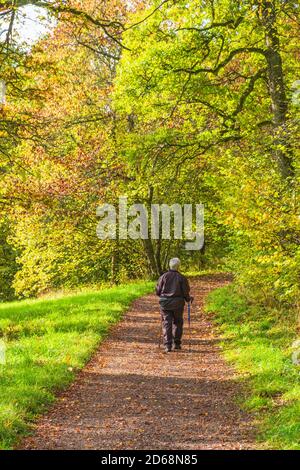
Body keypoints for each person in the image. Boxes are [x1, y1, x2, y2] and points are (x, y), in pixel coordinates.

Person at [156, 258, 193, 353]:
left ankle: (167, 345)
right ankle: (177, 343)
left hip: (165, 303)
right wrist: (189, 299)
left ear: (169, 265)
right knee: (178, 322)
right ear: (178, 266)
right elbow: (185, 292)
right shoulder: (182, 277)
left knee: (167, 323)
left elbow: (158, 291)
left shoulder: (163, 276)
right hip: (178, 303)